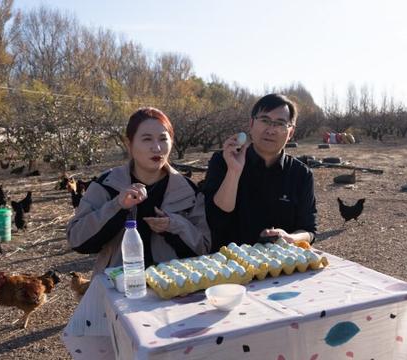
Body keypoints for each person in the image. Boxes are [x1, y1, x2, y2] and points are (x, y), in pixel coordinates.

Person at [67, 107, 211, 274]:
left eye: (163, 139)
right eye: (147, 139)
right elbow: (77, 240)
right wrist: (118, 206)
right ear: (129, 144)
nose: (157, 148)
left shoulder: (187, 190)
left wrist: (173, 225)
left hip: (173, 290)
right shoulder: (107, 185)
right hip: (119, 290)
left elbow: (203, 249)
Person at [202, 94, 317, 250]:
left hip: (280, 267)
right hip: (227, 265)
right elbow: (215, 217)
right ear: (251, 123)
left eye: (280, 124)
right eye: (264, 120)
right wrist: (234, 171)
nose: (270, 130)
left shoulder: (301, 174)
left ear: (290, 133)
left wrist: (290, 238)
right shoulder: (223, 160)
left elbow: (309, 231)